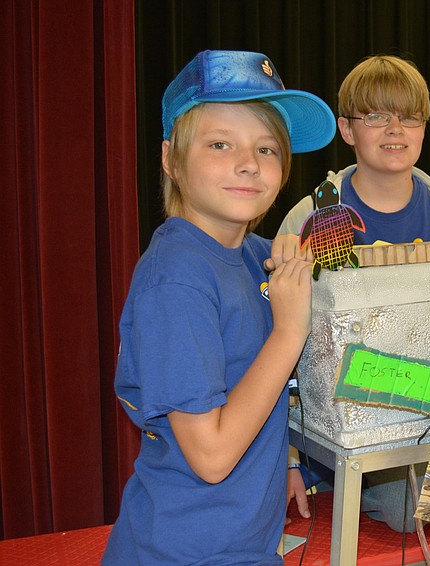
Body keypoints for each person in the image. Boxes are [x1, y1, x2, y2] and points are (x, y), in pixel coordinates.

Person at [102, 49, 336, 565]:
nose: (249, 163)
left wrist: (301, 264)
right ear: (171, 160)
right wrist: (288, 331)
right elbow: (210, 456)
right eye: (220, 143)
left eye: (267, 148)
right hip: (183, 553)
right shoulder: (176, 280)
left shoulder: (253, 258)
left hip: (243, 547)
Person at [273, 54, 430, 533]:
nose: (395, 129)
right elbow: (282, 344)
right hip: (338, 422)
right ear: (347, 129)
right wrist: (288, 459)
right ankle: (333, 477)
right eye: (376, 116)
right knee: (410, 515)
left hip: (428, 416)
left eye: (409, 117)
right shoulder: (313, 217)